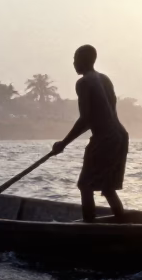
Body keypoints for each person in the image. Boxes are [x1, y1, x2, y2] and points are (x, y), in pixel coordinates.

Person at [52, 44, 130, 222]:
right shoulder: (105, 78)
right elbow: (101, 115)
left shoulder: (84, 82)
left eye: (75, 59)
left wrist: (63, 143)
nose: (73, 63)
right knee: (107, 187)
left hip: (105, 138)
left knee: (85, 185)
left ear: (84, 60)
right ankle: (123, 226)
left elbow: (86, 119)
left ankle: (89, 229)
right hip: (120, 136)